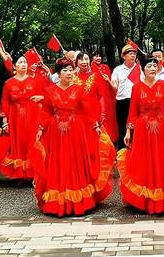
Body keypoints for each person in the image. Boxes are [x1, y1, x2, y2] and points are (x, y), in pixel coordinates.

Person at [29, 59, 115, 217]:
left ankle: (79, 200)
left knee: (75, 161)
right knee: (58, 162)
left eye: (71, 70)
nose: (69, 73)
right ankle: (58, 200)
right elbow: (47, 111)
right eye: (65, 70)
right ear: (58, 73)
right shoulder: (50, 90)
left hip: (77, 131)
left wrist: (96, 126)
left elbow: (87, 110)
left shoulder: (80, 89)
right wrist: (41, 128)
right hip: (56, 132)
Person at [117, 57, 164, 214]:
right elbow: (133, 111)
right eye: (149, 65)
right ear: (143, 69)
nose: (153, 68)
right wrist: (129, 130)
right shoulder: (136, 88)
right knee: (144, 160)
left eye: (155, 65)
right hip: (143, 130)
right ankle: (146, 198)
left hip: (163, 127)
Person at [0, 55, 45, 179]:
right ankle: (20, 174)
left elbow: (46, 97)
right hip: (15, 118)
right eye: (20, 62)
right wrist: (5, 121)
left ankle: (32, 174)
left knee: (31, 142)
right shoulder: (8, 83)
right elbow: (5, 103)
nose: (23, 64)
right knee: (18, 143)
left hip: (33, 116)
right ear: (14, 66)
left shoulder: (35, 81)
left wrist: (41, 98)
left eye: (25, 62)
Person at [110, 44, 139, 149]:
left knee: (137, 127)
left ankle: (137, 149)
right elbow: (114, 87)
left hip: (137, 101)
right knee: (123, 126)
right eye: (130, 54)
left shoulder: (140, 68)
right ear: (123, 56)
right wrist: (108, 82)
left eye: (134, 54)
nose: (133, 56)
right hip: (122, 101)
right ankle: (123, 151)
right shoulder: (118, 70)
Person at [93, 51, 118, 143]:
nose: (98, 58)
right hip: (97, 94)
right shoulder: (90, 68)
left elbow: (111, 81)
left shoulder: (106, 67)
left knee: (109, 115)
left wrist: (108, 80)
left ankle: (111, 137)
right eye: (96, 56)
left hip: (107, 93)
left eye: (99, 56)